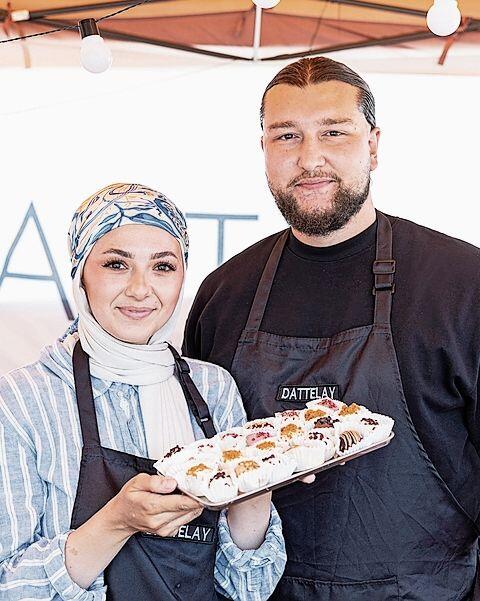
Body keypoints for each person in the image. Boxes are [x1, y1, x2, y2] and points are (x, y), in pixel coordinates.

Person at [183, 57, 480, 600]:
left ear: (373, 144)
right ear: (265, 151)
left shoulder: (463, 283)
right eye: (287, 136)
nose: (309, 158)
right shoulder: (223, 294)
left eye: (334, 133)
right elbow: (204, 472)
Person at [0, 183, 286, 601]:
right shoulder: (25, 400)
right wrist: (118, 520)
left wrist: (257, 489)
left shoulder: (212, 389)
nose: (140, 289)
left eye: (163, 267)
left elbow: (247, 588)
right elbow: (8, 584)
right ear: (81, 273)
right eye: (117, 264)